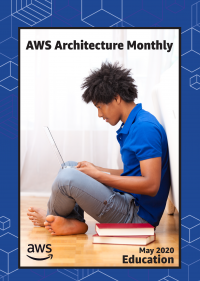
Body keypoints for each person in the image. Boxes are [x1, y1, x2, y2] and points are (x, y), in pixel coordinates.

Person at [27, 62, 170, 236]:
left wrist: (99, 176)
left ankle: (54, 217)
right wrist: (97, 170)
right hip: (129, 200)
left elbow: (151, 185)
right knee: (70, 166)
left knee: (67, 177)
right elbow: (133, 173)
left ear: (116, 98)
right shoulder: (135, 123)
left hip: (138, 217)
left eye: (100, 107)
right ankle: (72, 221)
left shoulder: (144, 128)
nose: (99, 114)